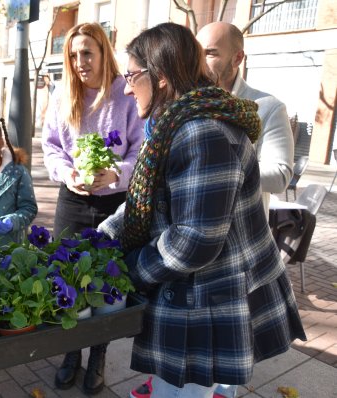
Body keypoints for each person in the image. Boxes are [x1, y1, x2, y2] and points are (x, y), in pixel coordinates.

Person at [95, 22, 306, 398]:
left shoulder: (201, 132)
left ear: (159, 76)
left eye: (130, 76)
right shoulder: (172, 123)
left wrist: (125, 270)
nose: (126, 88)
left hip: (209, 298)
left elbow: (193, 242)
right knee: (169, 389)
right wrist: (101, 239)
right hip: (192, 292)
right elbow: (145, 201)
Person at [41, 22, 144, 395]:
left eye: (87, 52)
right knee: (68, 274)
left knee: (108, 280)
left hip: (114, 202)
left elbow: (138, 150)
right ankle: (71, 354)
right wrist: (66, 173)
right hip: (72, 201)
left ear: (103, 52)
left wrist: (116, 173)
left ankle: (98, 355)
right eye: (73, 54)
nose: (80, 61)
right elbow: (50, 146)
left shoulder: (125, 94)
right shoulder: (61, 94)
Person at [196, 22, 294, 216]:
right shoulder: (187, 104)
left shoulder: (267, 107)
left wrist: (219, 172)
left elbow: (280, 175)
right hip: (190, 233)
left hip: (240, 237)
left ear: (237, 58)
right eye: (198, 54)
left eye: (211, 53)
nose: (200, 62)